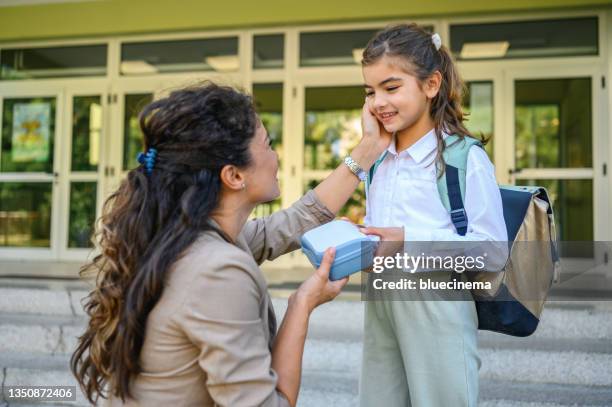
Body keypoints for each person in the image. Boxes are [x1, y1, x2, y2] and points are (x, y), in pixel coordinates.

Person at [70, 82, 390, 406]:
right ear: (234, 176)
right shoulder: (217, 271)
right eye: (268, 144)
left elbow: (295, 221)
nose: (276, 156)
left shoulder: (196, 241)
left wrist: (367, 150)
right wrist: (302, 304)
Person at [358, 24, 508, 407]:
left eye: (391, 88)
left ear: (431, 84)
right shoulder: (377, 161)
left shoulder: (463, 158)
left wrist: (407, 240)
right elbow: (385, 239)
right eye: (370, 91)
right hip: (383, 301)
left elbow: (492, 252)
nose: (378, 102)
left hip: (438, 304)